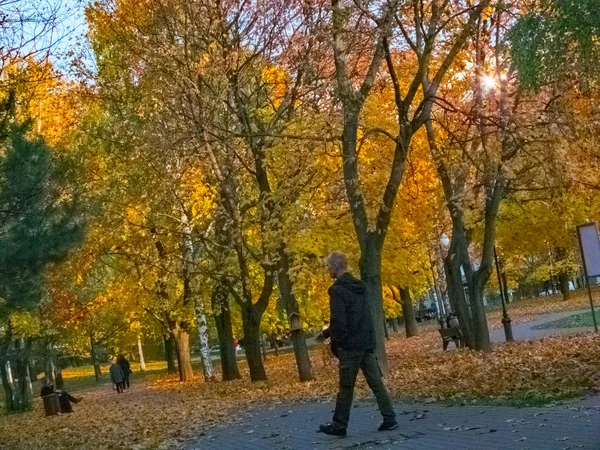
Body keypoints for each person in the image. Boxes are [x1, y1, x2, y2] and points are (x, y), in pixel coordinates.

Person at [318, 251, 397, 437]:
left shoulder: (337, 291)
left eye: (329, 266)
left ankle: (339, 426)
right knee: (376, 383)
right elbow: (358, 317)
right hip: (366, 344)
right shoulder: (360, 288)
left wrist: (339, 342)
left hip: (351, 347)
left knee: (346, 387)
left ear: (336, 266)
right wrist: (326, 333)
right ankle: (390, 418)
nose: (328, 270)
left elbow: (340, 321)